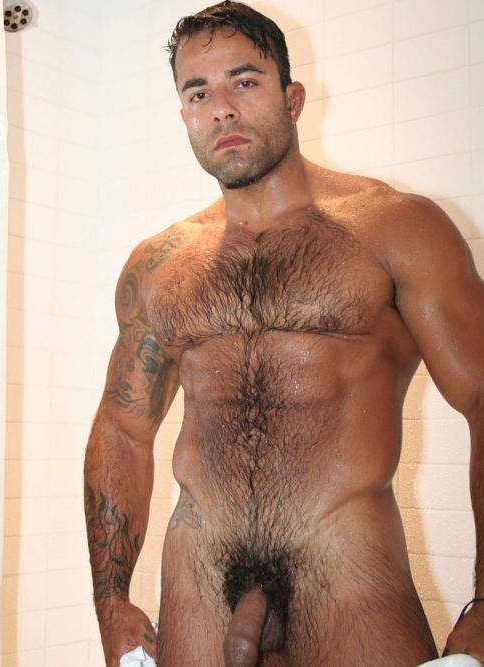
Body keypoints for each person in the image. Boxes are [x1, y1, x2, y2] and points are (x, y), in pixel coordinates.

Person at [83, 2, 484, 665]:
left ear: (292, 99)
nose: (222, 109)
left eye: (244, 81)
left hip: (349, 582)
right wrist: (111, 600)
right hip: (198, 585)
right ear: (184, 115)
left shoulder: (396, 228)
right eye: (198, 92)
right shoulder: (159, 266)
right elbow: (122, 428)